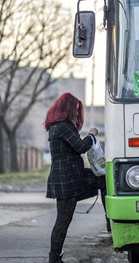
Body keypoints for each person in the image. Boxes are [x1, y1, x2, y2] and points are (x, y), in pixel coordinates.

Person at [45, 92, 99, 263]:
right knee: (63, 220)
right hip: (68, 178)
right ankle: (53, 258)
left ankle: (54, 257)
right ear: (67, 109)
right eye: (75, 110)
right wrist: (91, 135)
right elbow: (81, 147)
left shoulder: (57, 126)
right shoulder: (63, 126)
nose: (77, 113)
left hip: (67, 177)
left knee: (103, 181)